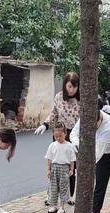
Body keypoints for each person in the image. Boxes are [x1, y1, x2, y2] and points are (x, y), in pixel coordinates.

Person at [35, 72, 80, 204]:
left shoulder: (82, 99)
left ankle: (70, 196)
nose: (71, 89)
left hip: (75, 135)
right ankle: (51, 195)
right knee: (55, 165)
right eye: (69, 86)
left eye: (74, 87)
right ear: (65, 85)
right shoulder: (59, 97)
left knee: (70, 165)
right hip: (60, 132)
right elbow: (54, 113)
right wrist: (45, 124)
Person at [45, 123, 75, 213]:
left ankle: (62, 206)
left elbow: (72, 160)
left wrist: (71, 169)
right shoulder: (52, 145)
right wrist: (48, 169)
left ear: (65, 134)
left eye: (60, 136)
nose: (58, 138)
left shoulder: (69, 146)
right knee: (53, 187)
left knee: (63, 188)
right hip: (54, 168)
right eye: (56, 136)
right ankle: (53, 205)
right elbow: (49, 158)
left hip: (64, 168)